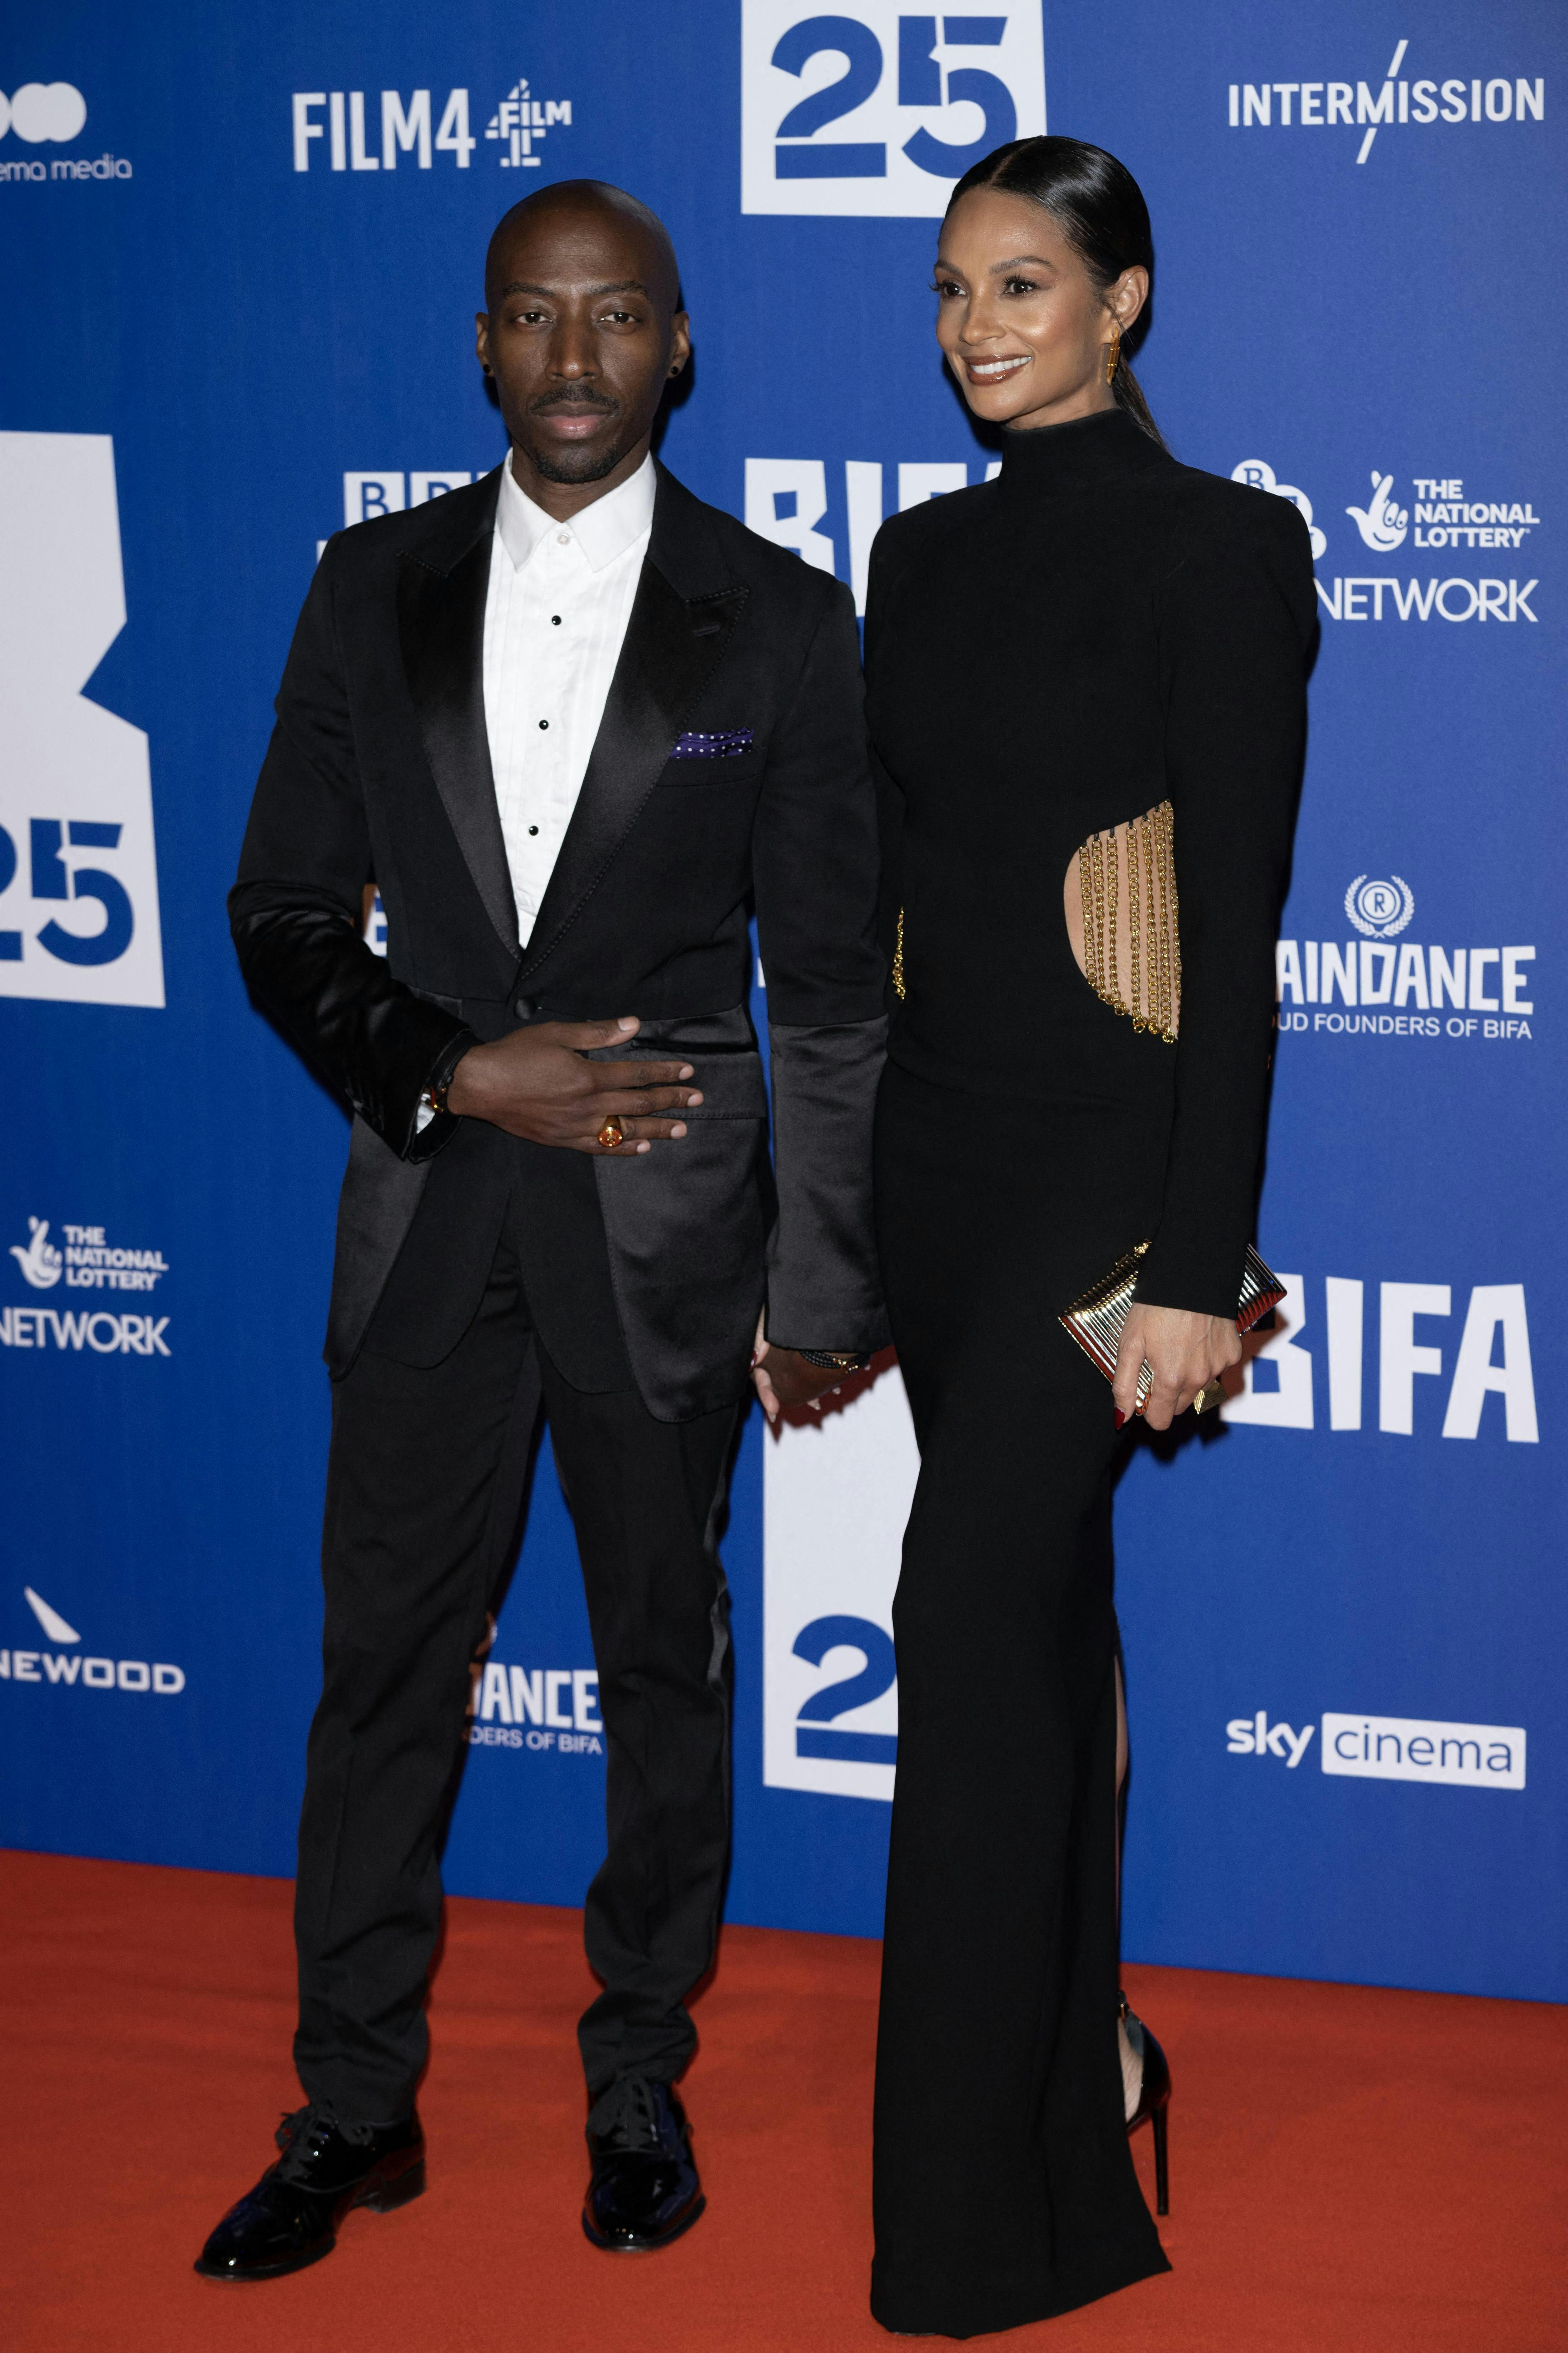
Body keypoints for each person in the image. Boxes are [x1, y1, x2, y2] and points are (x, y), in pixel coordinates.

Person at [198, 179, 887, 2283]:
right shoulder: (366, 586)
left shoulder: (774, 616)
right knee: (380, 1672)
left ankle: (636, 2074)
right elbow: (281, 912)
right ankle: (348, 2107)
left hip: (668, 1231)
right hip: (425, 1216)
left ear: (677, 345)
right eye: (532, 320)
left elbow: (834, 989)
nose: (572, 361)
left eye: (615, 322)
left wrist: (818, 1278)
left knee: (663, 1672)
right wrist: (447, 1062)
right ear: (479, 345)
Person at [864, 137, 1314, 2334]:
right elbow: (893, 913)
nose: (975, 325)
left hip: (1093, 1208)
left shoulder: (1222, 554)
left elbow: (1228, 946)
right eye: (952, 284)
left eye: (1023, 283)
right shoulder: (913, 557)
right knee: (1033, 1647)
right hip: (934, 1183)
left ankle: (967, 2238)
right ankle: (1094, 2065)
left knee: (959, 1644)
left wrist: (1194, 1262)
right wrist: (839, 1216)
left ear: (1122, 302)